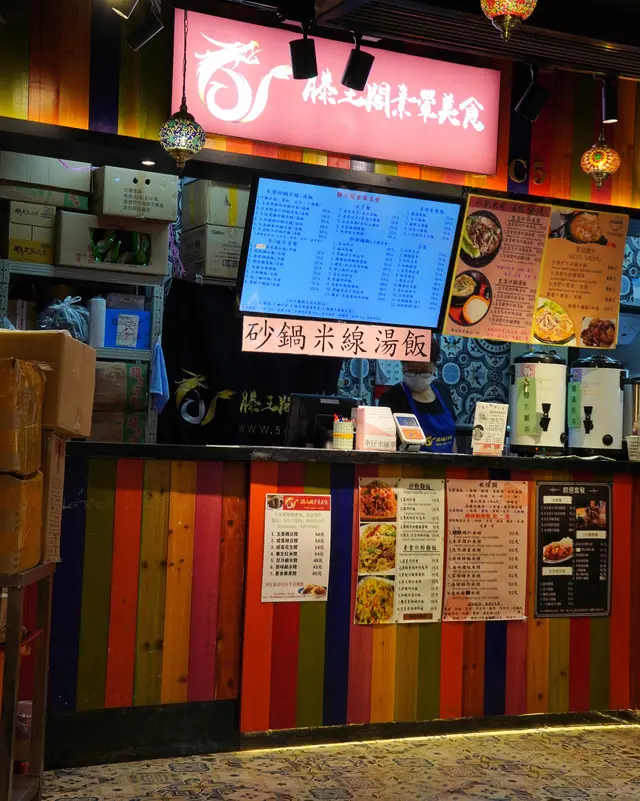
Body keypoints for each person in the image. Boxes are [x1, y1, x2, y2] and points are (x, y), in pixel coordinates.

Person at [378, 337, 456, 453]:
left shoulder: (442, 390)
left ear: (434, 366)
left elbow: (453, 440)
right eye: (411, 371)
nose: (418, 376)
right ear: (402, 366)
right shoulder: (392, 398)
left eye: (424, 371)